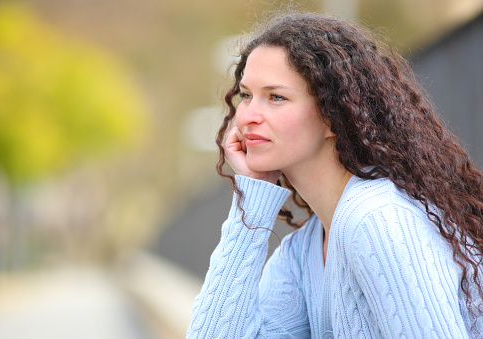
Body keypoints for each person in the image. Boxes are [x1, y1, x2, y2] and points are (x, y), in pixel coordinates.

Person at [187, 12, 483, 338]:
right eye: (246, 95)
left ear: (332, 114)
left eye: (276, 97)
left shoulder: (377, 220)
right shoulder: (305, 251)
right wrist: (252, 195)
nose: (248, 116)